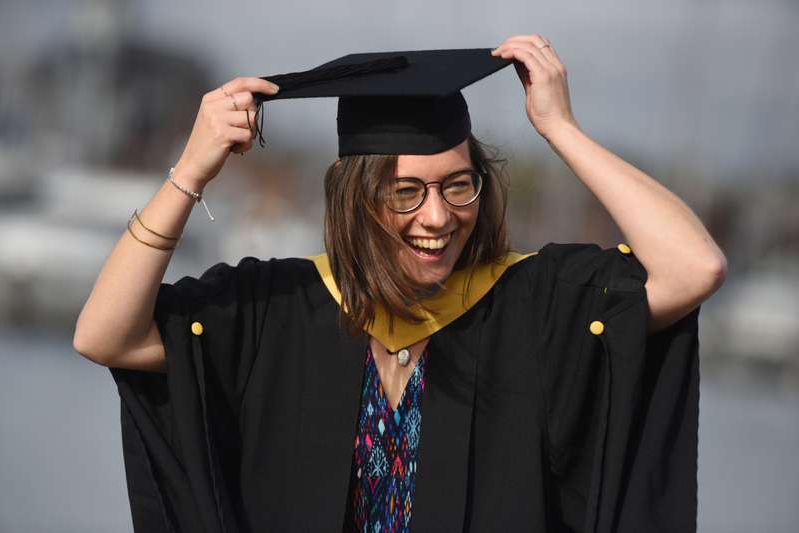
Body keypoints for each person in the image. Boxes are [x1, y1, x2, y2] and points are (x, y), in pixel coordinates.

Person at [73, 35, 726, 532]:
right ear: (358, 199)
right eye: (406, 191)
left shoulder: (535, 303)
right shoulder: (275, 310)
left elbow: (694, 268)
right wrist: (191, 168)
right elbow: (105, 334)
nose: (438, 216)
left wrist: (561, 129)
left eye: (457, 184)